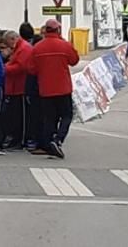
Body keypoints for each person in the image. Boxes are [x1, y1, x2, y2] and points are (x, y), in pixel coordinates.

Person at [28, 19, 79, 159]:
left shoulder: (37, 48)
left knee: (49, 118)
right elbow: (74, 60)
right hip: (63, 88)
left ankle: (49, 143)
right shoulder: (64, 45)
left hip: (45, 89)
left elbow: (31, 69)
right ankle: (58, 139)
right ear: (58, 30)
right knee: (67, 115)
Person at [0, 30, 31, 148]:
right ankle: (14, 138)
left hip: (20, 87)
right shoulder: (19, 48)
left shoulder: (24, 49)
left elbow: (21, 67)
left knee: (20, 117)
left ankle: (19, 140)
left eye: (8, 43)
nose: (9, 46)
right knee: (13, 116)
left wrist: (4, 69)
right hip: (14, 86)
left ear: (13, 39)